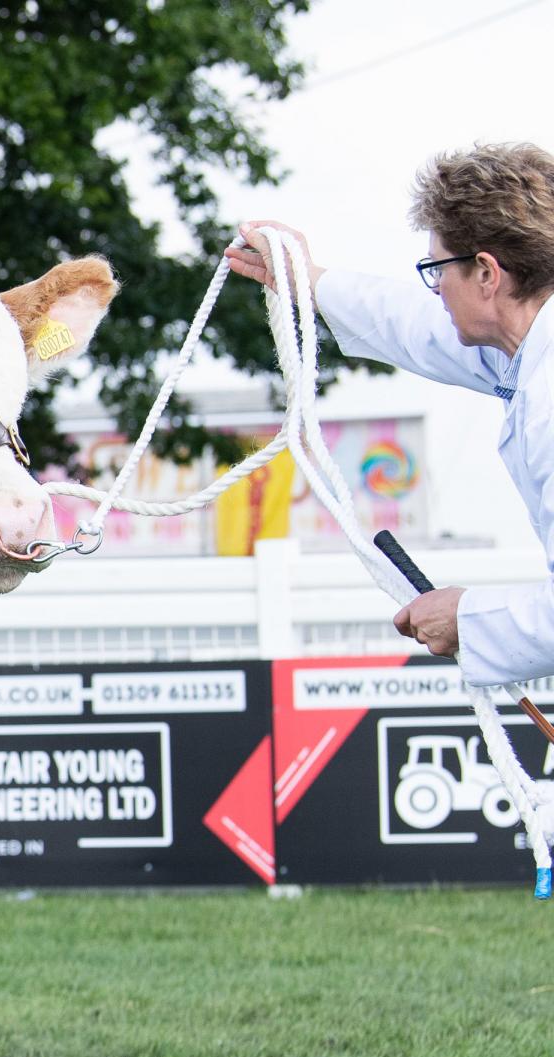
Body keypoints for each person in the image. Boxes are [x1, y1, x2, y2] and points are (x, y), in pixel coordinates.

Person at [225, 142, 554, 687]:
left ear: (487, 274)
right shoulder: (526, 352)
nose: (437, 288)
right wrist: (309, 279)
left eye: (437, 268)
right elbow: (417, 328)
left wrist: (465, 619)